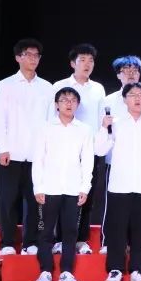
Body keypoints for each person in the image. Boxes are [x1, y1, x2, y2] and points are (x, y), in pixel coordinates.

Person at [94, 82, 141, 281]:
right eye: (132, 95)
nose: (137, 98)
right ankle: (115, 269)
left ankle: (138, 270)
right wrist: (104, 128)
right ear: (125, 100)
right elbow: (100, 150)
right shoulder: (115, 124)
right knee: (116, 230)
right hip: (119, 185)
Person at [0, 38, 54, 256]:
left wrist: (47, 151)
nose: (33, 59)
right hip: (12, 152)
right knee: (7, 199)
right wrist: (2, 148)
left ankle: (31, 242)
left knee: (35, 200)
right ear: (18, 57)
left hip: (37, 154)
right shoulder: (6, 85)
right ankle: (7, 242)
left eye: (37, 55)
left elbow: (50, 122)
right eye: (28, 54)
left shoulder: (47, 87)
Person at [48, 44, 106, 255]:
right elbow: (50, 118)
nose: (87, 64)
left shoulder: (98, 89)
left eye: (91, 60)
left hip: (89, 149)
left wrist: (99, 146)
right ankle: (58, 239)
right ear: (73, 63)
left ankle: (81, 239)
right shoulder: (60, 86)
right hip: (63, 150)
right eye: (82, 60)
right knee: (60, 195)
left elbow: (101, 120)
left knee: (86, 196)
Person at [32, 86, 94, 281]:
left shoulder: (84, 130)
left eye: (73, 100)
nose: (69, 103)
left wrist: (85, 187)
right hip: (49, 188)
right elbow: (38, 159)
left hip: (73, 189)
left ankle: (66, 272)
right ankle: (45, 271)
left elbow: (88, 161)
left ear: (78, 105)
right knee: (45, 232)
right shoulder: (45, 128)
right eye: (64, 100)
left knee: (70, 232)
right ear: (56, 104)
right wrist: (38, 187)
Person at [98, 55, 141, 252]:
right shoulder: (108, 100)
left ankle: (137, 245)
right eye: (126, 70)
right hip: (116, 160)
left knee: (140, 206)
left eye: (135, 70)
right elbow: (103, 131)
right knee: (113, 206)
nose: (131, 73)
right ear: (118, 75)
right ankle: (109, 242)